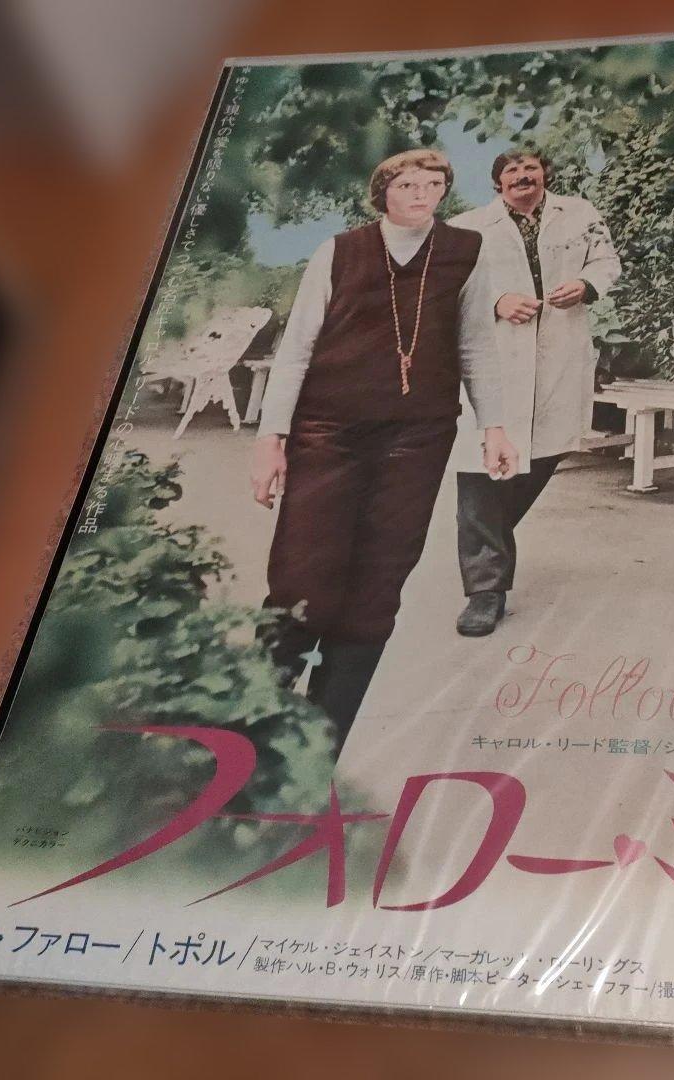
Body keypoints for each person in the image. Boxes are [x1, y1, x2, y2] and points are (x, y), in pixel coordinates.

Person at [249, 148, 518, 746]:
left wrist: (494, 426)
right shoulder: (339, 251)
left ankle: (320, 746)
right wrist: (271, 440)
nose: (422, 194)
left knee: (378, 586)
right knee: (301, 579)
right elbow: (295, 351)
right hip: (328, 432)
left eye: (434, 184)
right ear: (382, 193)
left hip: (418, 438)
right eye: (408, 184)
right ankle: (254, 731)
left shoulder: (465, 252)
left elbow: (475, 344)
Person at [448, 149, 621, 636]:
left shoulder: (580, 214)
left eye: (531, 168)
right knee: (480, 470)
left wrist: (586, 284)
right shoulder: (467, 226)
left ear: (545, 174)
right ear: (497, 183)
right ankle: (485, 591)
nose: (523, 176)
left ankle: (489, 546)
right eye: (511, 170)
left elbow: (607, 261)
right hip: (493, 358)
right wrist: (497, 300)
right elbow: (445, 285)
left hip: (557, 353)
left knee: (544, 452)